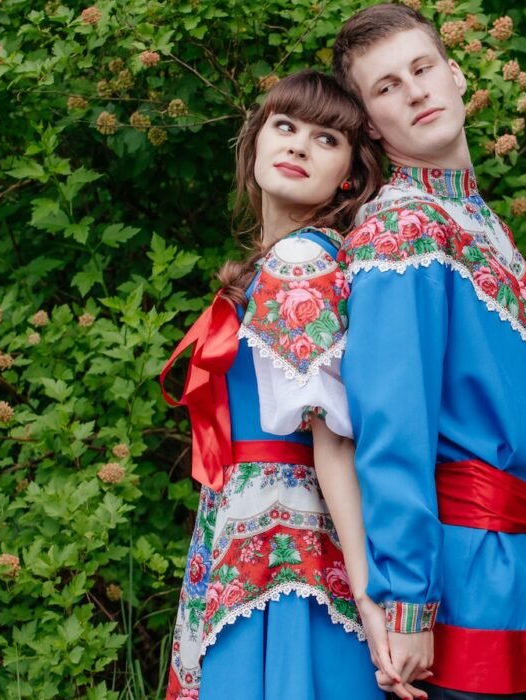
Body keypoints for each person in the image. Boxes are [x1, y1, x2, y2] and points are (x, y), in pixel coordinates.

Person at [331, 6, 526, 700]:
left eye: (422, 69)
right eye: (387, 86)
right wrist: (408, 600)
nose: (415, 91)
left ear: (455, 74)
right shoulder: (400, 231)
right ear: (370, 123)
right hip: (466, 581)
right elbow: (393, 429)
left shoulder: (476, 220)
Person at [158, 70, 387, 700]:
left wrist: (369, 596)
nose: (298, 145)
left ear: (349, 174)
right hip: (254, 521)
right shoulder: (290, 257)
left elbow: (332, 438)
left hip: (284, 537)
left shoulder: (301, 260)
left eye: (326, 139)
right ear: (256, 138)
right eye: (285, 126)